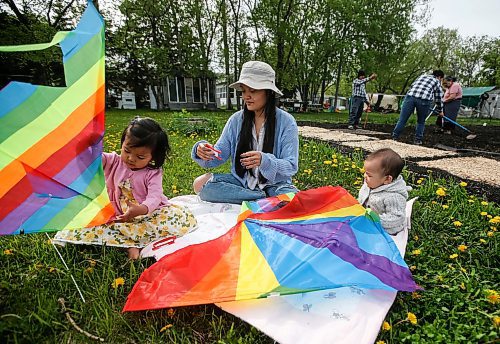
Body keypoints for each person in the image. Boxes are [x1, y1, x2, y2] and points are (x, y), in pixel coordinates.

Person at [54, 117, 198, 259]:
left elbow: (155, 197)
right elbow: (90, 160)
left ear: (152, 157)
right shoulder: (112, 161)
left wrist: (141, 209)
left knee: (162, 224)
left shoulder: (153, 173)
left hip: (147, 214)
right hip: (117, 215)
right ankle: (72, 237)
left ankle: (133, 244)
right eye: (127, 151)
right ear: (122, 144)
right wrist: (86, 145)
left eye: (140, 157)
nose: (131, 158)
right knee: (92, 223)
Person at [192, 61, 299, 204]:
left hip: (276, 185)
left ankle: (254, 198)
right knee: (199, 184)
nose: (246, 96)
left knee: (294, 199)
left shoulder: (286, 122)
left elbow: (291, 166)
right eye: (243, 91)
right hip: (242, 182)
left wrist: (265, 161)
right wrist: (204, 150)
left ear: (269, 92)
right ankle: (263, 199)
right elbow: (219, 154)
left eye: (253, 91)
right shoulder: (236, 120)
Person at [357, 148, 411, 235]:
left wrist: (376, 220)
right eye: (365, 172)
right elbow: (362, 199)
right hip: (367, 219)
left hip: (384, 227)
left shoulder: (393, 196)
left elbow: (396, 218)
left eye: (369, 175)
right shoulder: (372, 184)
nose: (364, 176)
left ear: (387, 179)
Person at [392, 70, 445, 145]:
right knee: (421, 121)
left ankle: (394, 137)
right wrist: (440, 111)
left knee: (402, 120)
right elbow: (438, 98)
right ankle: (417, 140)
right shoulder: (436, 81)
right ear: (440, 77)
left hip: (410, 97)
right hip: (424, 101)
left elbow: (412, 86)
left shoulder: (422, 76)